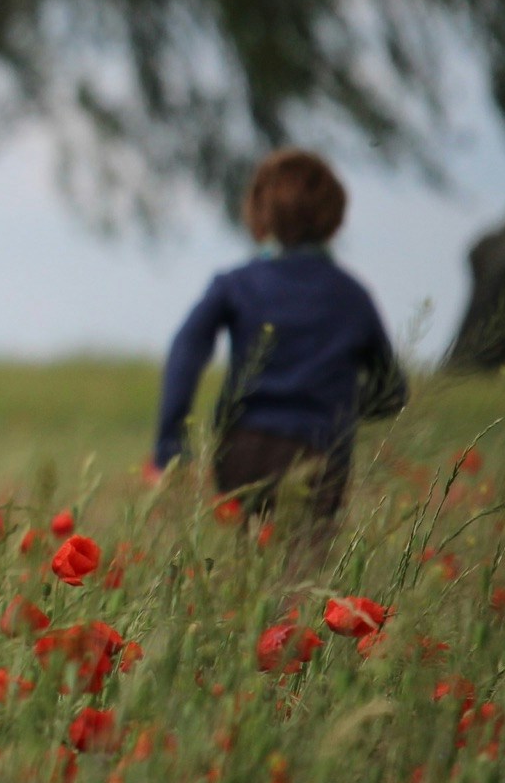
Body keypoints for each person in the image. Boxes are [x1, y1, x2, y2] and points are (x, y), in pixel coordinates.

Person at [150, 148, 407, 525]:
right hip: (320, 451)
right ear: (333, 218)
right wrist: (339, 407)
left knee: (250, 561)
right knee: (304, 571)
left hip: (242, 448)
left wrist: (170, 446)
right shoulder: (352, 297)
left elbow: (185, 352)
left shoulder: (235, 285)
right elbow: (391, 391)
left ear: (259, 212)